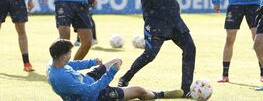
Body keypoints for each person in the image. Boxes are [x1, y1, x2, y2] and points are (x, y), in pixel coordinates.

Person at [118, 0, 196, 98]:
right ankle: (125, 78)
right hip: (156, 21)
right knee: (150, 55)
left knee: (190, 48)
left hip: (174, 19)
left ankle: (186, 89)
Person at [47, 39, 184, 101]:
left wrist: (92, 62)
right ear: (63, 56)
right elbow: (89, 92)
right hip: (96, 95)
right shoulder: (62, 79)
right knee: (139, 90)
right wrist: (110, 74)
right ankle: (159, 95)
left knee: (116, 60)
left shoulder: (54, 63)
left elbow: (72, 65)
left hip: (90, 79)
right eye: (69, 53)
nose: (71, 54)